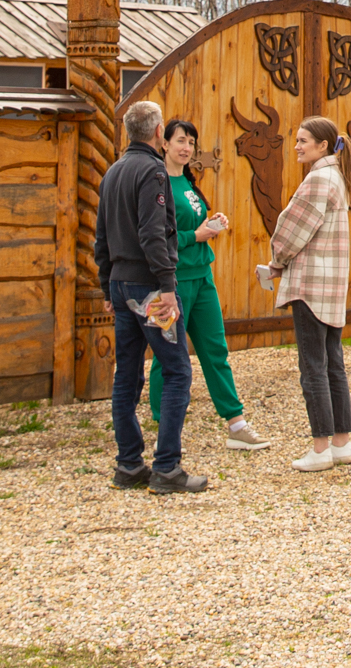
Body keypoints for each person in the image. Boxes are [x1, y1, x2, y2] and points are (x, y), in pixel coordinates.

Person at [92, 99, 207, 494]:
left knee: (127, 373)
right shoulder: (153, 171)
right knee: (176, 370)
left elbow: (101, 237)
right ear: (159, 132)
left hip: (121, 286)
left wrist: (106, 285)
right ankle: (167, 467)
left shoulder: (112, 172)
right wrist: (168, 287)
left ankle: (128, 464)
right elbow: (153, 234)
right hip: (151, 290)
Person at [150, 118, 272, 451]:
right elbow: (156, 238)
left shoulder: (188, 183)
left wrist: (211, 224)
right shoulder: (157, 184)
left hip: (202, 277)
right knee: (167, 354)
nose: (186, 147)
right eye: (180, 140)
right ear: (164, 144)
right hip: (172, 282)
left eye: (191, 142)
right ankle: (164, 426)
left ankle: (237, 424)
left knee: (215, 350)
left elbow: (189, 226)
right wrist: (196, 235)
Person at [264, 116, 351, 473]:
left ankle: (320, 448)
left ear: (322, 145)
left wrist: (276, 261)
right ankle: (341, 443)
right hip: (330, 286)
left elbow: (290, 232)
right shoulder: (337, 177)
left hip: (310, 286)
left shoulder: (317, 179)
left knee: (313, 367)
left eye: (303, 140)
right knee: (333, 364)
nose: (297, 146)